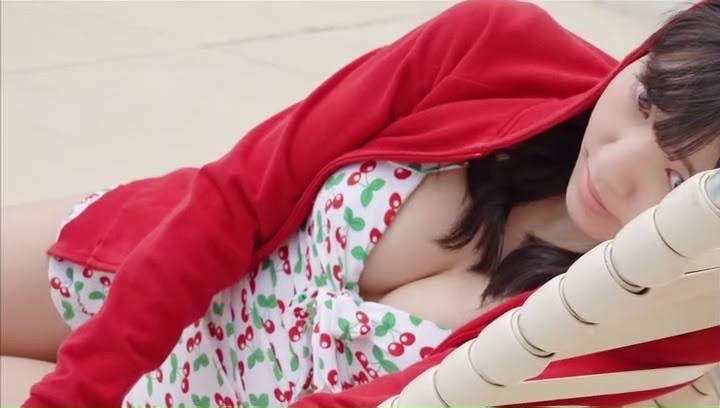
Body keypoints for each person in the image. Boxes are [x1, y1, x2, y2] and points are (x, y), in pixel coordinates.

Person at [2, 0, 719, 406]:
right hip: (147, 273)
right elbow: (237, 197)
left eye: (675, 177)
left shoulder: (661, 317)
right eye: (644, 100)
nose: (614, 167)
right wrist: (78, 392)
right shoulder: (499, 46)